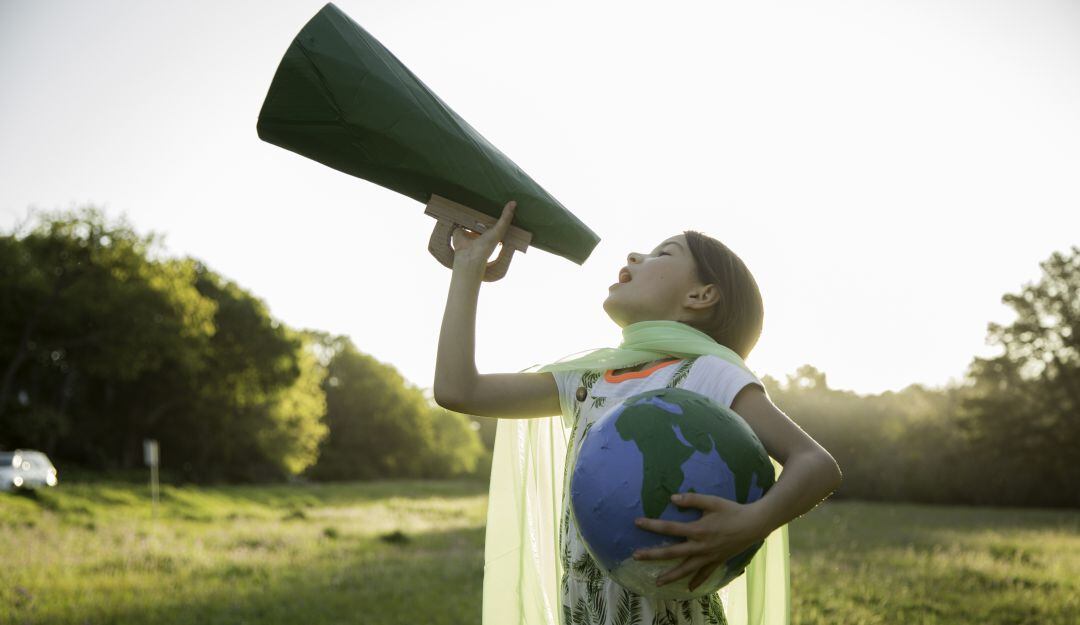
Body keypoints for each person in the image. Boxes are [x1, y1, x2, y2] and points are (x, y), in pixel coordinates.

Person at [433, 200, 843, 625]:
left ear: (701, 296)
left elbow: (816, 464)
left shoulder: (709, 374)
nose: (633, 257)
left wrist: (751, 523)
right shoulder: (589, 379)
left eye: (662, 253)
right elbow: (458, 389)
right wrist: (468, 266)